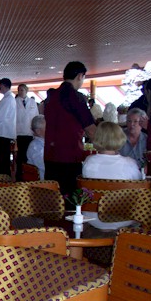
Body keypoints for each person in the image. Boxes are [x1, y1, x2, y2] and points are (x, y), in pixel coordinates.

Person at [44, 61, 96, 200]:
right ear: (80, 76)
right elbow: (90, 129)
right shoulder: (75, 97)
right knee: (70, 201)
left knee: (54, 200)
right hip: (69, 156)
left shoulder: (51, 96)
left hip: (50, 155)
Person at [15, 84, 39, 180]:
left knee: (29, 154)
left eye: (22, 90)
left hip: (30, 132)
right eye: (19, 90)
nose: (20, 92)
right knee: (21, 155)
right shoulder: (15, 102)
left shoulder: (32, 102)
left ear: (26, 91)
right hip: (20, 132)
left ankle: (29, 175)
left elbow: (36, 116)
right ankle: (19, 176)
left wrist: (36, 129)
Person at [26, 114, 46, 180]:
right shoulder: (35, 146)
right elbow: (43, 165)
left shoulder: (45, 143)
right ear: (38, 131)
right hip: (42, 182)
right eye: (47, 127)